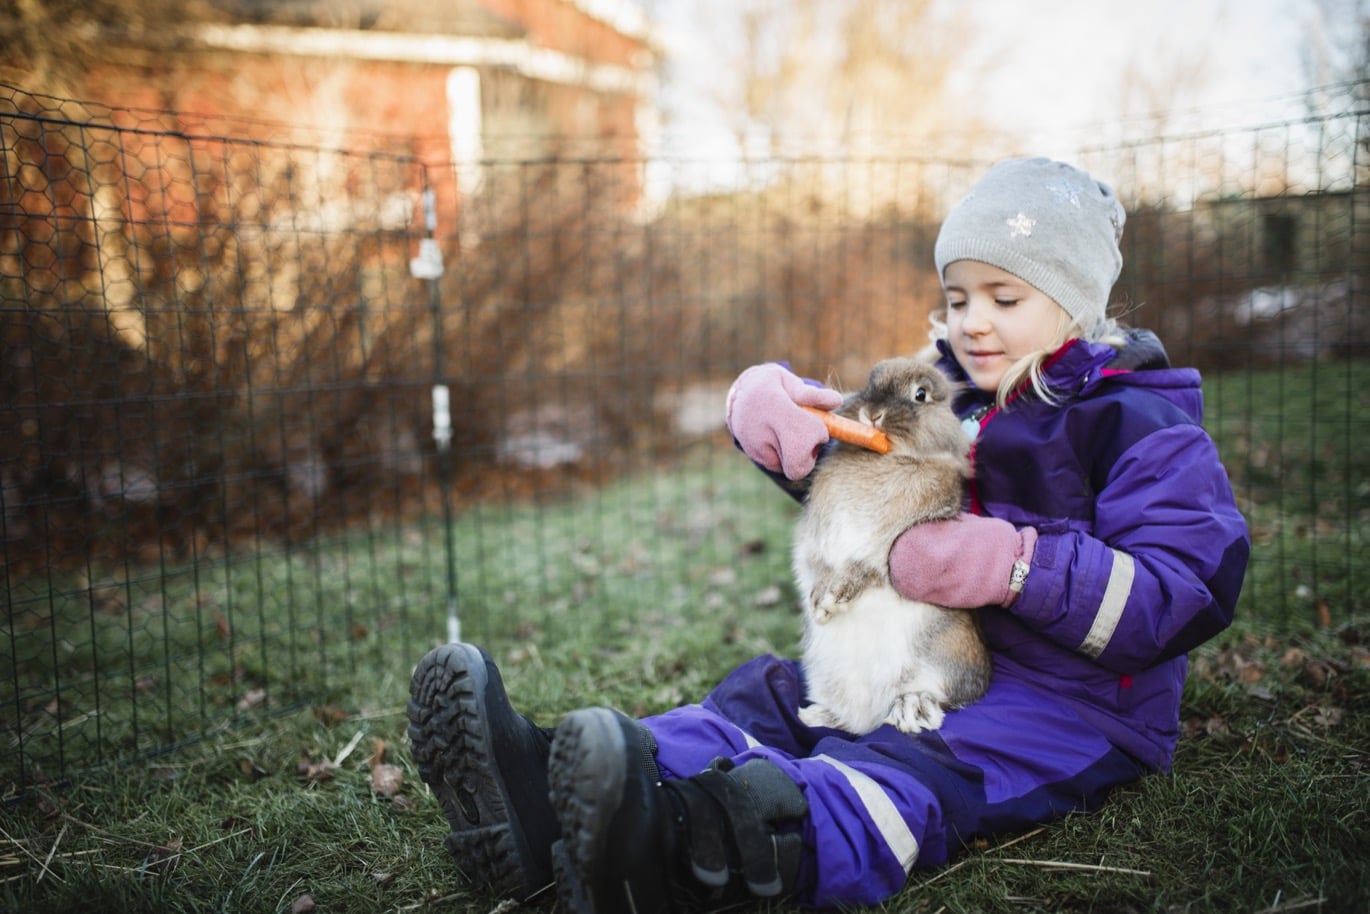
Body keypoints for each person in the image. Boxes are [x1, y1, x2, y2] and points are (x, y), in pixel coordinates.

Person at [406, 156, 1250, 913]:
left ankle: (681, 848)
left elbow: (1189, 587)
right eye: (958, 299)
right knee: (770, 699)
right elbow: (861, 471)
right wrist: (785, 417)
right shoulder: (946, 393)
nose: (974, 323)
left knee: (912, 770)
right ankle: (553, 790)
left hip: (1066, 705)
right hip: (916, 653)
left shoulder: (1136, 423)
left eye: (1005, 297)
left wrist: (1013, 567)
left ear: (1073, 304)